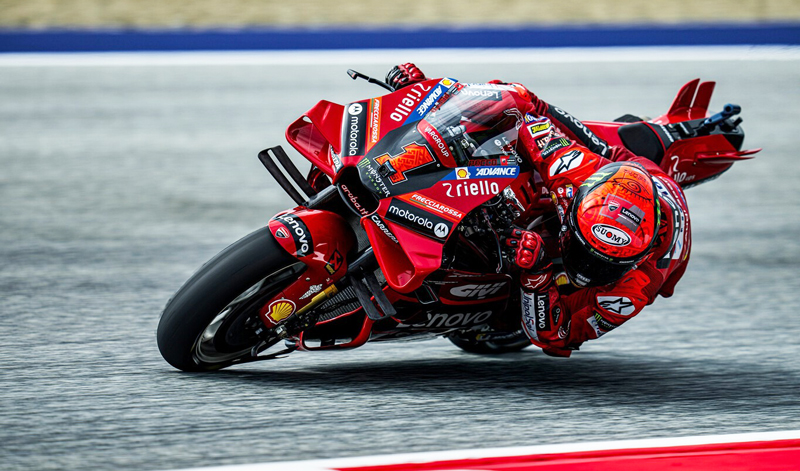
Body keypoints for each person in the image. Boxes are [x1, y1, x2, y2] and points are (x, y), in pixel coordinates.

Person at [386, 63, 692, 357]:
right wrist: (428, 100)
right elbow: (517, 108)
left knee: (525, 303)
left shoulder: (632, 290)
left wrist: (538, 274)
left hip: (650, 227)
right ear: (573, 206)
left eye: (605, 267)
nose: (586, 271)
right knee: (518, 102)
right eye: (585, 255)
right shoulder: (571, 170)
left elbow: (556, 338)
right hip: (619, 164)